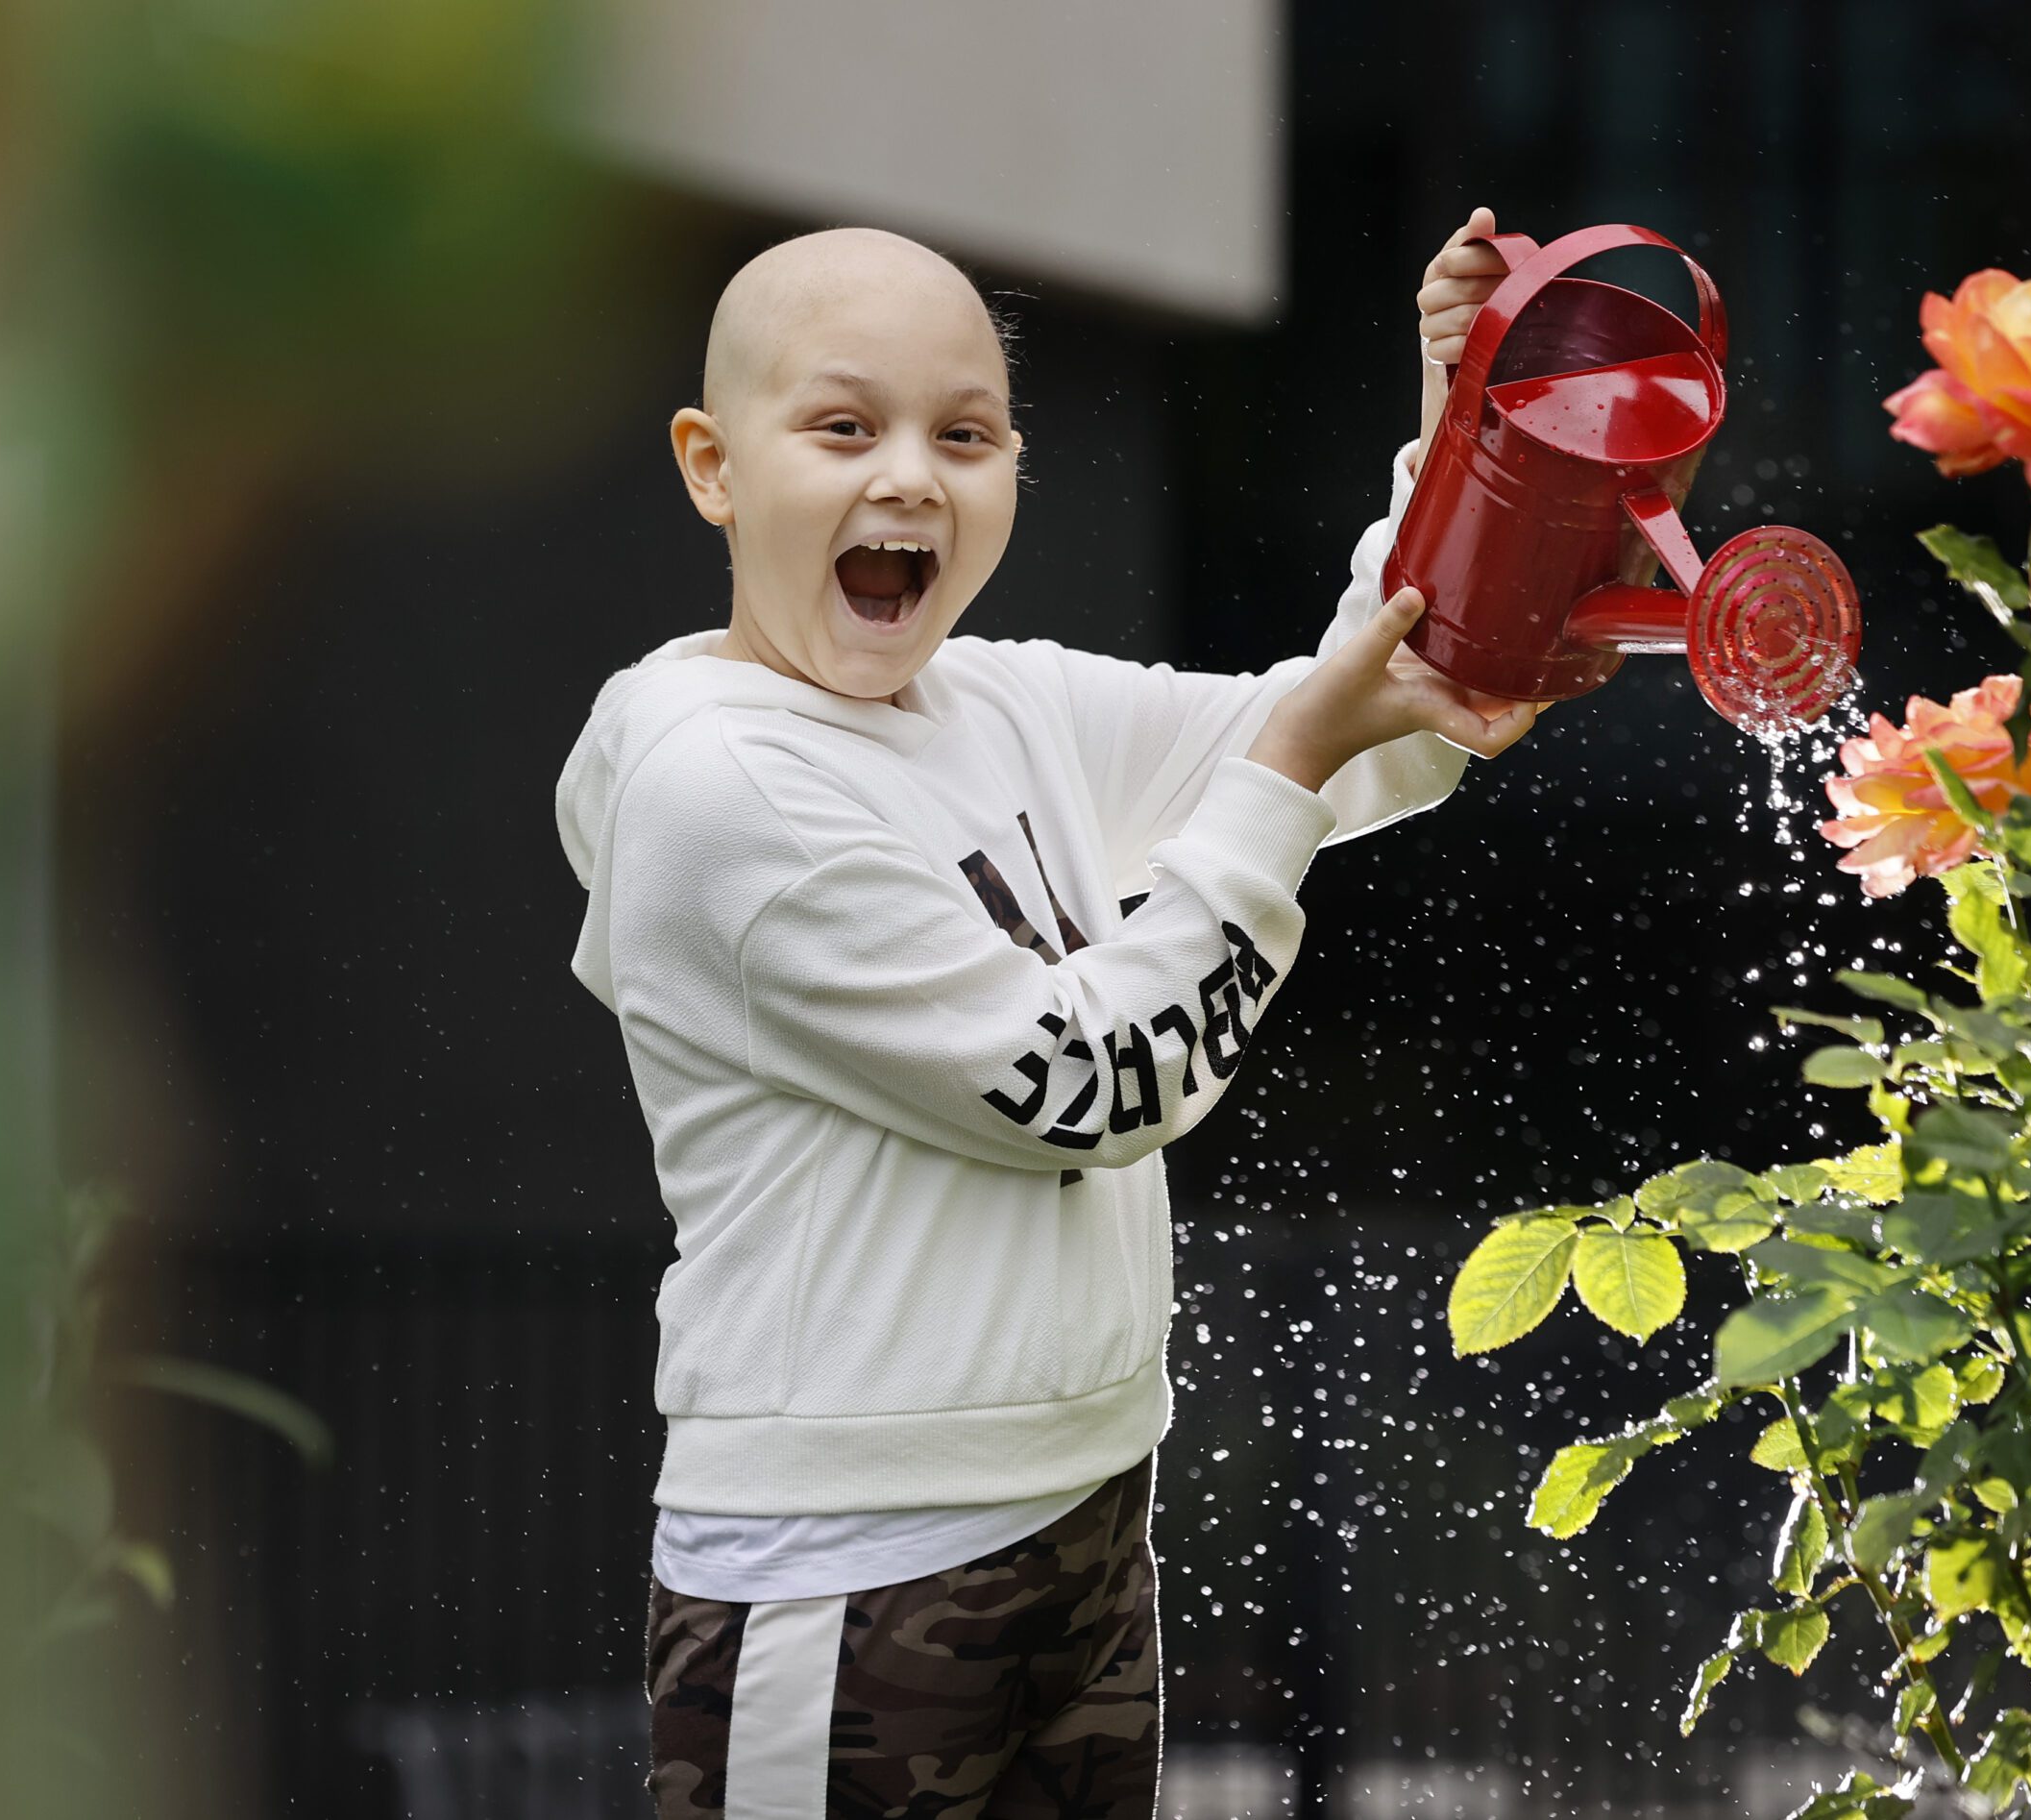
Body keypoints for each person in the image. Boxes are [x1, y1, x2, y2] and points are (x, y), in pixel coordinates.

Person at [555, 209, 1529, 1819]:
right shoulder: (724, 784)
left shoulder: (994, 699)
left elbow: (1357, 734)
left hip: (1083, 1514)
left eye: (967, 434)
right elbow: (1094, 1078)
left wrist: (1464, 426)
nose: (911, 479)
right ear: (712, 465)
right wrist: (1294, 764)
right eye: (845, 427)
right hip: (846, 1575)